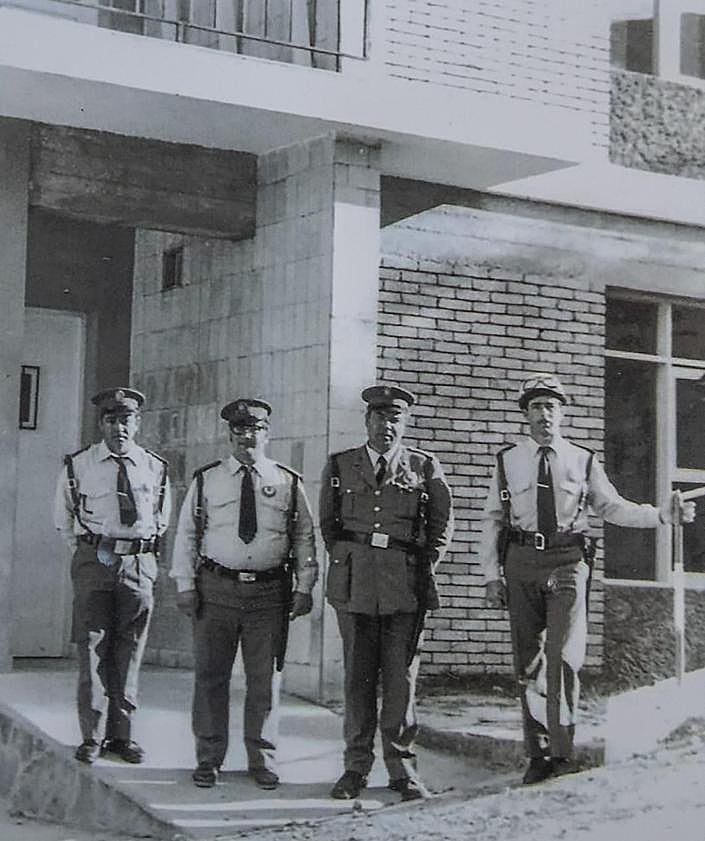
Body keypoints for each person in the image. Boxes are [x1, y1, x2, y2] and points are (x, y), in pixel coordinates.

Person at [480, 372, 696, 785]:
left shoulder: (581, 459)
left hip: (567, 559)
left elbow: (612, 507)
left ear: (562, 414)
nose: (545, 414)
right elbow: (492, 519)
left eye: (552, 407)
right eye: (536, 407)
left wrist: (660, 516)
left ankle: (562, 753)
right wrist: (492, 576)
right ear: (525, 415)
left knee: (562, 656)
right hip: (521, 559)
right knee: (528, 661)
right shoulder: (507, 460)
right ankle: (537, 753)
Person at [170, 398, 317, 790]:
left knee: (263, 680)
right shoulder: (208, 480)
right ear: (230, 435)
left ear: (266, 434)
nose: (246, 437)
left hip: (268, 593)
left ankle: (262, 757)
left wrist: (304, 586)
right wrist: (184, 585)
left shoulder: (287, 481)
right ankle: (209, 757)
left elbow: (304, 537)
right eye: (238, 431)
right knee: (210, 677)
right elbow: (186, 534)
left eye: (254, 430)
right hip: (216, 589)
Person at [319, 385, 453, 802]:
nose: (387, 426)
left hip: (404, 586)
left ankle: (402, 771)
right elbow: (329, 524)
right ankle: (355, 769)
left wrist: (419, 567)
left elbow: (441, 526)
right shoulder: (341, 465)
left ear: (404, 423)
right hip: (355, 585)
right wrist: (351, 560)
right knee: (358, 680)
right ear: (367, 422)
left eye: (395, 419)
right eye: (380, 418)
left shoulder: (424, 466)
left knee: (400, 681)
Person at [54, 387, 171, 765]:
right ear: (101, 423)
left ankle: (122, 736)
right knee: (92, 647)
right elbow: (64, 520)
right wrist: (91, 555)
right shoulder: (78, 466)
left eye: (126, 420)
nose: (119, 427)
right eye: (111, 420)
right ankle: (91, 735)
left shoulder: (155, 467)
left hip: (138, 563)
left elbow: (161, 519)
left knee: (130, 648)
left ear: (137, 423)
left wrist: (138, 556)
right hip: (96, 560)